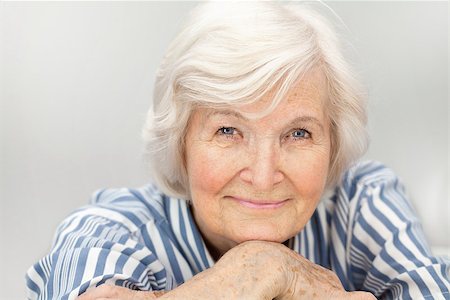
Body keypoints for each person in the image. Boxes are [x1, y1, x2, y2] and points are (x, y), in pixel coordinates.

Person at [26, 2, 449, 299]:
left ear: (334, 145)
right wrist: (268, 270)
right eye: (229, 130)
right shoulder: (110, 230)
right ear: (181, 144)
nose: (263, 176)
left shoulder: (362, 203)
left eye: (298, 134)